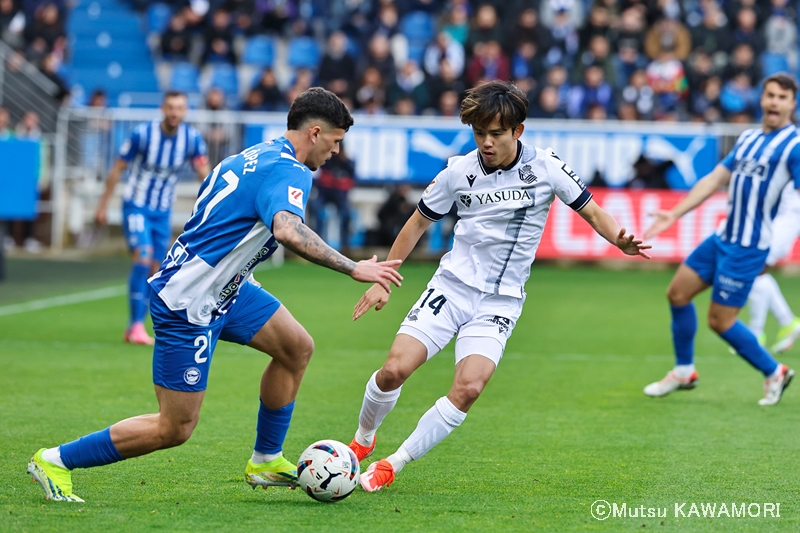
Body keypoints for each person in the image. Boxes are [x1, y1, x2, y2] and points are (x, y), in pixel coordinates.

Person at [27, 87, 404, 502]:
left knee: (296, 347)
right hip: (190, 301)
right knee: (175, 427)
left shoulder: (253, 155)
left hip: (227, 290)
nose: (336, 151)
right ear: (315, 133)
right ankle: (56, 460)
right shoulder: (291, 170)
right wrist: (354, 267)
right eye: (335, 141)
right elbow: (287, 230)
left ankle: (266, 459)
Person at [346, 80, 651, 492]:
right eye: (479, 133)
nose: (486, 143)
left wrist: (619, 240)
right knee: (394, 370)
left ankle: (393, 463)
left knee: (469, 387)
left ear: (517, 131)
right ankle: (363, 439)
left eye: (496, 134)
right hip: (451, 287)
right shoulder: (458, 171)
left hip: (500, 302)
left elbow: (593, 212)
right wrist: (385, 278)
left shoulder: (546, 168)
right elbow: (417, 222)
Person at [642, 73, 800, 406]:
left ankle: (775, 371)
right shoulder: (748, 138)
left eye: (782, 97)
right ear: (762, 99)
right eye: (770, 95)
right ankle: (684, 371)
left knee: (720, 321)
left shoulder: (794, 146)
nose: (774, 102)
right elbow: (715, 179)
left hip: (748, 247)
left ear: (792, 104)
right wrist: (674, 214)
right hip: (722, 238)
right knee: (677, 293)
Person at [94, 91, 210, 345]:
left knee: (155, 268)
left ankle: (136, 326)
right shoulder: (143, 134)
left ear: (186, 111)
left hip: (163, 211)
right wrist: (102, 205)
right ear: (162, 109)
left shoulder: (191, 139)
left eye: (179, 108)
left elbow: (205, 174)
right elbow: (118, 168)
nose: (174, 113)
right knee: (143, 255)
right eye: (170, 107)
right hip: (136, 205)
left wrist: (215, 205)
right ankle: (135, 324)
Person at [746, 183, 800, 354]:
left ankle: (755, 334)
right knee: (756, 271)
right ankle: (788, 322)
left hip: (790, 219)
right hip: (781, 217)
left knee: (755, 270)